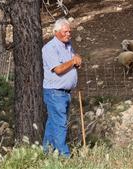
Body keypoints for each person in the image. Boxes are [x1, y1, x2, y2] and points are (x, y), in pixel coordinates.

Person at [42, 18, 82, 157]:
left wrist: (76, 58)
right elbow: (58, 69)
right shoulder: (50, 48)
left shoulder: (68, 45)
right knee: (60, 124)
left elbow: (73, 58)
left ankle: (46, 152)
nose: (68, 34)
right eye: (65, 32)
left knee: (53, 123)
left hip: (65, 93)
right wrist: (73, 61)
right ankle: (64, 156)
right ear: (56, 32)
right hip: (55, 92)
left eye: (70, 31)